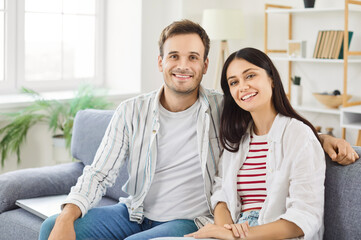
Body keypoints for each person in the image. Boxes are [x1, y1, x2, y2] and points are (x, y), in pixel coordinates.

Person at [39, 20, 358, 240]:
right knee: (51, 228)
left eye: (193, 57)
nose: (183, 65)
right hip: (133, 212)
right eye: (174, 56)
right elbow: (98, 173)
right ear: (160, 61)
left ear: (205, 65)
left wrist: (321, 138)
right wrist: (68, 216)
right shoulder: (131, 111)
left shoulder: (224, 108)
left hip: (188, 219)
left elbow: (273, 126)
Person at [185, 47, 328, 240]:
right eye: (234, 82)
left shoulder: (299, 135)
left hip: (269, 234)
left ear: (272, 79)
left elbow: (305, 217)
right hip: (234, 229)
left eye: (250, 76)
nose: (242, 87)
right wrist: (225, 231)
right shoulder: (238, 137)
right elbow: (221, 194)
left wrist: (238, 236)